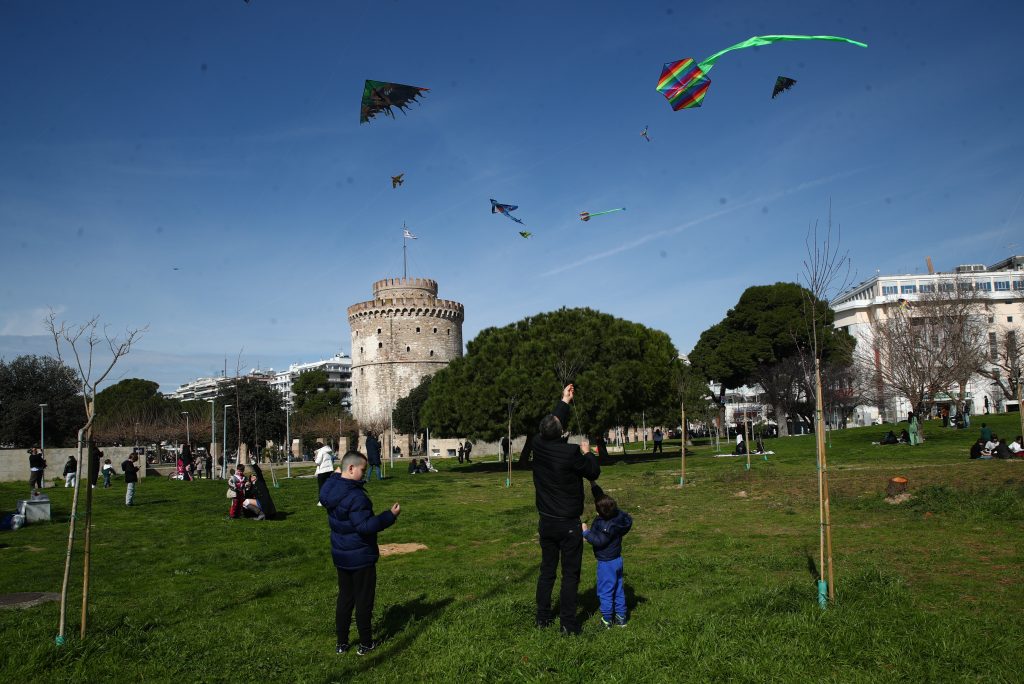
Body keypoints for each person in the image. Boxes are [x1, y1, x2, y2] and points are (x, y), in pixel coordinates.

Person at [531, 384, 600, 636]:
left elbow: (552, 424)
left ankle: (542, 618)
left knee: (547, 570)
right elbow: (593, 472)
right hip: (569, 523)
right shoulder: (571, 453)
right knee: (570, 574)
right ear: (560, 432)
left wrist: (565, 400)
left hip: (546, 521)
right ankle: (568, 624)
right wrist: (588, 453)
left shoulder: (538, 444)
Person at [320, 451, 400, 656]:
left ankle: (342, 643)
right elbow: (365, 526)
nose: (364, 474)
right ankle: (366, 643)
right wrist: (389, 516)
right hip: (360, 557)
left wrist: (336, 474)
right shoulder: (356, 497)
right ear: (351, 468)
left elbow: (327, 485)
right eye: (362, 470)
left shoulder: (330, 488)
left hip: (341, 555)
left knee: (345, 598)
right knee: (363, 600)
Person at [582, 488, 633, 628]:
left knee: (605, 591)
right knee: (618, 589)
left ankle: (606, 620)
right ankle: (621, 617)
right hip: (617, 560)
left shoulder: (606, 526)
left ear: (600, 512)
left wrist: (586, 532)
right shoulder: (617, 519)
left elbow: (599, 541)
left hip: (606, 563)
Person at [314, 441, 336, 506]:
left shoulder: (321, 451)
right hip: (330, 470)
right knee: (329, 486)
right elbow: (333, 460)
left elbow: (317, 462)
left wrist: (315, 456)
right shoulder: (329, 451)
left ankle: (321, 501)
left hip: (322, 471)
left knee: (321, 487)